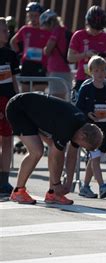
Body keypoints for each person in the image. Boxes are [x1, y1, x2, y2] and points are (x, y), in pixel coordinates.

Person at [6, 92, 103, 205]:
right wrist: (57, 184)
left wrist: (68, 184)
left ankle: (53, 194)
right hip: (18, 108)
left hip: (33, 112)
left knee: (57, 148)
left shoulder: (81, 127)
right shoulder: (68, 126)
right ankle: (18, 191)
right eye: (83, 145)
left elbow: (72, 156)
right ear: (83, 136)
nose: (81, 146)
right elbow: (54, 157)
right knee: (37, 151)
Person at [76, 56, 106, 199]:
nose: (100, 73)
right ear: (91, 72)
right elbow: (78, 107)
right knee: (95, 158)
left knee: (96, 159)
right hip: (90, 130)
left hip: (105, 130)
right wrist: (88, 114)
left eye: (103, 70)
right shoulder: (86, 88)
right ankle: (102, 186)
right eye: (97, 70)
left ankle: (85, 187)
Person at [67, 5, 106, 100]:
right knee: (79, 109)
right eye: (94, 28)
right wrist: (85, 54)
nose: (96, 31)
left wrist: (100, 56)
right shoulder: (78, 35)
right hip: (82, 79)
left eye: (99, 28)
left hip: (100, 80)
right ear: (87, 23)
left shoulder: (105, 37)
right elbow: (70, 57)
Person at [9, 2, 49, 93]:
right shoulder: (25, 29)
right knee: (25, 94)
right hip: (27, 65)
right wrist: (19, 54)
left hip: (41, 66)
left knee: (39, 96)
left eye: (36, 16)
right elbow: (13, 42)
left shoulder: (46, 31)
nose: (33, 18)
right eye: (31, 16)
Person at [0, 17, 20, 195]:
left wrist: (18, 100)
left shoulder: (11, 55)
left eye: (7, 30)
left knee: (7, 140)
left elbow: (14, 80)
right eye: (4, 30)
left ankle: (4, 181)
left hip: (8, 101)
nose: (7, 33)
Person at [39, 9, 72, 100]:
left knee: (56, 100)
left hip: (57, 70)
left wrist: (44, 49)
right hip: (64, 70)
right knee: (63, 100)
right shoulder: (64, 30)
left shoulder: (56, 31)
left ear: (49, 22)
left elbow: (47, 50)